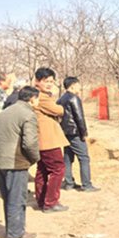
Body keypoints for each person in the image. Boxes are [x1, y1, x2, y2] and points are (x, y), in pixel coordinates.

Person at [0, 87, 41, 238]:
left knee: (8, 197)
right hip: (16, 162)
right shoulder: (28, 114)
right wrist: (35, 158)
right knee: (17, 198)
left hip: (0, 161)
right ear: (32, 99)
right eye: (38, 99)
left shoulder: (5, 112)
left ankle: (12, 229)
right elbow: (30, 143)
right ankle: (16, 233)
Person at [33, 67, 70, 213]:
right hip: (47, 140)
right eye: (46, 81)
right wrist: (59, 106)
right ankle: (51, 202)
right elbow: (58, 110)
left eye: (51, 81)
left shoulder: (40, 95)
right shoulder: (41, 97)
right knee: (58, 169)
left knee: (42, 170)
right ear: (37, 81)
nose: (49, 84)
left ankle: (42, 200)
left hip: (43, 140)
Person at [57, 77, 99, 192]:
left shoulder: (61, 99)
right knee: (84, 158)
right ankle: (86, 184)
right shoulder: (74, 98)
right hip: (75, 132)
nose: (80, 87)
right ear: (72, 85)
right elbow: (79, 117)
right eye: (78, 85)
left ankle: (69, 183)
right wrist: (84, 133)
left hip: (65, 132)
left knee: (67, 157)